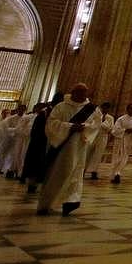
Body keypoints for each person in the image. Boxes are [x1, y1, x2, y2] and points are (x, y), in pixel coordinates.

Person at [37, 83, 101, 216]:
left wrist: (84, 128)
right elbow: (51, 123)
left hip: (80, 146)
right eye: (79, 92)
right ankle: (47, 203)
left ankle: (70, 202)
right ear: (72, 92)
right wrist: (70, 126)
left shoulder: (92, 110)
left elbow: (95, 125)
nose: (82, 95)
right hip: (61, 147)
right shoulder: (61, 107)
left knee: (76, 173)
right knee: (57, 173)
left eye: (84, 92)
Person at [20, 101, 54, 192]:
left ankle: (37, 183)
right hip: (38, 142)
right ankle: (31, 184)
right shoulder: (42, 115)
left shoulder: (50, 115)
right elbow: (33, 130)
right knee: (34, 163)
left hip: (46, 142)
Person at [109, 103, 132, 184]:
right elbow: (115, 130)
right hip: (120, 140)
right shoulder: (121, 119)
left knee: (124, 157)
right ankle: (113, 174)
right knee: (117, 157)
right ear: (127, 109)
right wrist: (124, 130)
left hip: (128, 141)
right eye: (131, 108)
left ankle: (118, 173)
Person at [85, 102, 114, 181]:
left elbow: (110, 128)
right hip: (93, 135)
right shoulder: (95, 115)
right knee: (88, 152)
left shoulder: (110, 118)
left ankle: (94, 171)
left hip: (103, 136)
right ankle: (83, 169)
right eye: (104, 107)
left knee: (98, 154)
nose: (105, 109)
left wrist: (103, 122)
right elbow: (91, 124)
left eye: (107, 108)